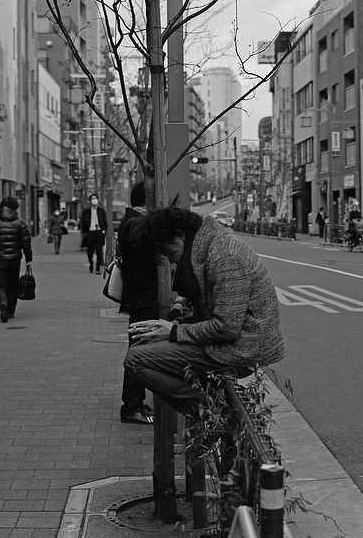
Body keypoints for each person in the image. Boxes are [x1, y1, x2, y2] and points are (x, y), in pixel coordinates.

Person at [123, 207, 285, 416]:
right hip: (233, 343)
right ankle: (215, 407)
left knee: (135, 359)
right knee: (144, 344)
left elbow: (227, 327)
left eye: (170, 253)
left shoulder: (224, 256)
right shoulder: (208, 245)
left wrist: (174, 332)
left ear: (181, 236)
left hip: (240, 349)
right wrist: (175, 326)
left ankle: (219, 410)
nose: (171, 262)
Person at [116, 182, 158, 424]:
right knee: (138, 351)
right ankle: (131, 406)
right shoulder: (136, 224)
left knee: (139, 348)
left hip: (138, 295)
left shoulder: (130, 220)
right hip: (142, 296)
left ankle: (135, 404)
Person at [79, 193, 108, 274]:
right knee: (90, 252)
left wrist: (103, 231)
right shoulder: (86, 212)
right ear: (90, 201)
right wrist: (85, 233)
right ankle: (91, 263)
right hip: (90, 233)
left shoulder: (101, 211)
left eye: (95, 198)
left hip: (99, 233)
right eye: (92, 199)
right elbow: (83, 223)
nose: (94, 200)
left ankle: (98, 267)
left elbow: (105, 222)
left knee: (99, 252)